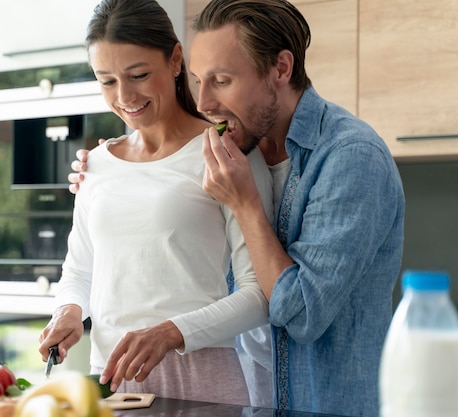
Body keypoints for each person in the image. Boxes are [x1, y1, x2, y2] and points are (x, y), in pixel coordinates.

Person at [68, 1, 405, 416]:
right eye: (198, 80)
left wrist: (244, 202)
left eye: (222, 81)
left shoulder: (350, 157)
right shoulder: (238, 150)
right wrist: (114, 176)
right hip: (252, 401)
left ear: (281, 69)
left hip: (325, 405)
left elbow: (298, 313)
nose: (204, 102)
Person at [38, 0, 274, 406]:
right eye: (107, 81)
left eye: (139, 75)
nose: (125, 96)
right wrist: (69, 311)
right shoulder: (95, 164)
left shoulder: (225, 153)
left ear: (176, 60)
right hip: (109, 380)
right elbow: (79, 271)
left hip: (201, 377)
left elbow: (260, 294)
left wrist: (169, 333)